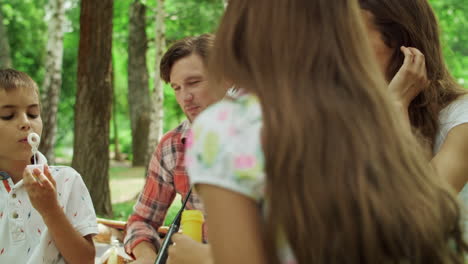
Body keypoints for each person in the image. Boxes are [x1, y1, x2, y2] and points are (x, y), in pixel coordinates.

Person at [185, 0, 467, 263]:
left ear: (402, 45)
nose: (342, 46)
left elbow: (420, 214)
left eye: (354, 31)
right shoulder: (342, 117)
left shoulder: (456, 115)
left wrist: (204, 257)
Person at [124, 34, 227, 264]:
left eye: (194, 82)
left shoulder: (262, 140)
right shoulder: (173, 146)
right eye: (177, 88)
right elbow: (141, 220)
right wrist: (146, 256)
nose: (185, 97)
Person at [359, 0, 468, 193]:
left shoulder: (462, 119)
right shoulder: (358, 117)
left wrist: (396, 105)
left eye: (355, 37)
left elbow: (425, 211)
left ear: (404, 45)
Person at [0, 69, 97, 264]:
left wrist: (51, 209)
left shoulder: (67, 180)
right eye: (8, 115)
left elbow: (85, 260)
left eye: (33, 113)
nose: (26, 123)